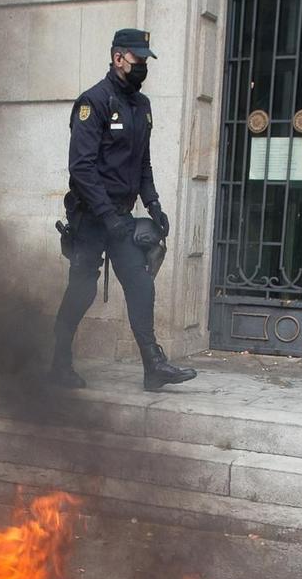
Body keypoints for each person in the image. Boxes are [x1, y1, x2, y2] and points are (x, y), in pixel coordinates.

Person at [50, 28, 195, 392]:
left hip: (121, 217)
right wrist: (108, 216)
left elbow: (141, 163)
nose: (142, 65)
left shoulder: (140, 106)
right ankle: (58, 364)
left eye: (146, 60)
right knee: (82, 290)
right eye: (138, 59)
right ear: (118, 58)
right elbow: (81, 168)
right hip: (91, 218)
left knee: (140, 284)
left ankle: (154, 366)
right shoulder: (93, 102)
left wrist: (155, 203)